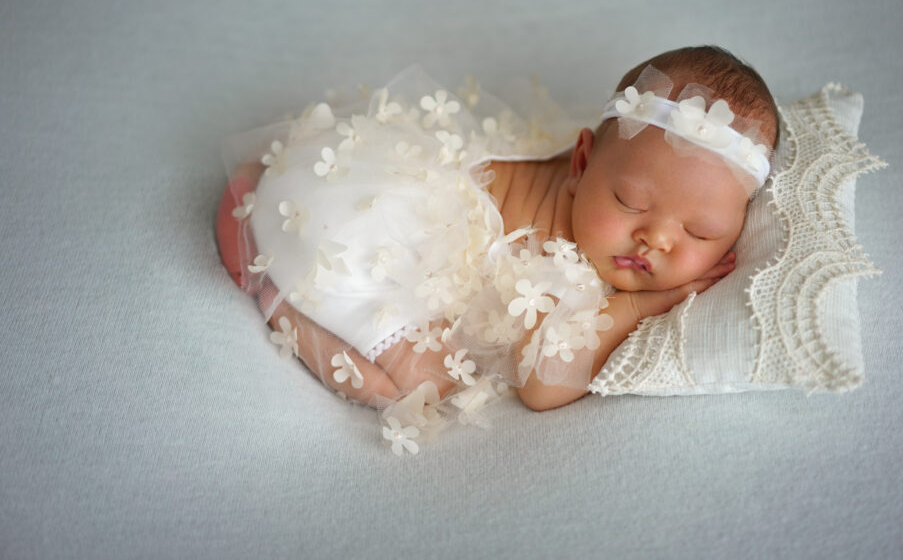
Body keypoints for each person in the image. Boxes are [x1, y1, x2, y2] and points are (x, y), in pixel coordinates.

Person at [215, 45, 778, 454]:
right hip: (358, 233)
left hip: (343, 175)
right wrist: (635, 306)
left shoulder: (597, 168)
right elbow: (542, 385)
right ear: (581, 164)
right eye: (630, 201)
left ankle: (262, 186)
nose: (656, 238)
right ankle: (276, 293)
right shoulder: (564, 261)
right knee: (421, 383)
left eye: (700, 233)